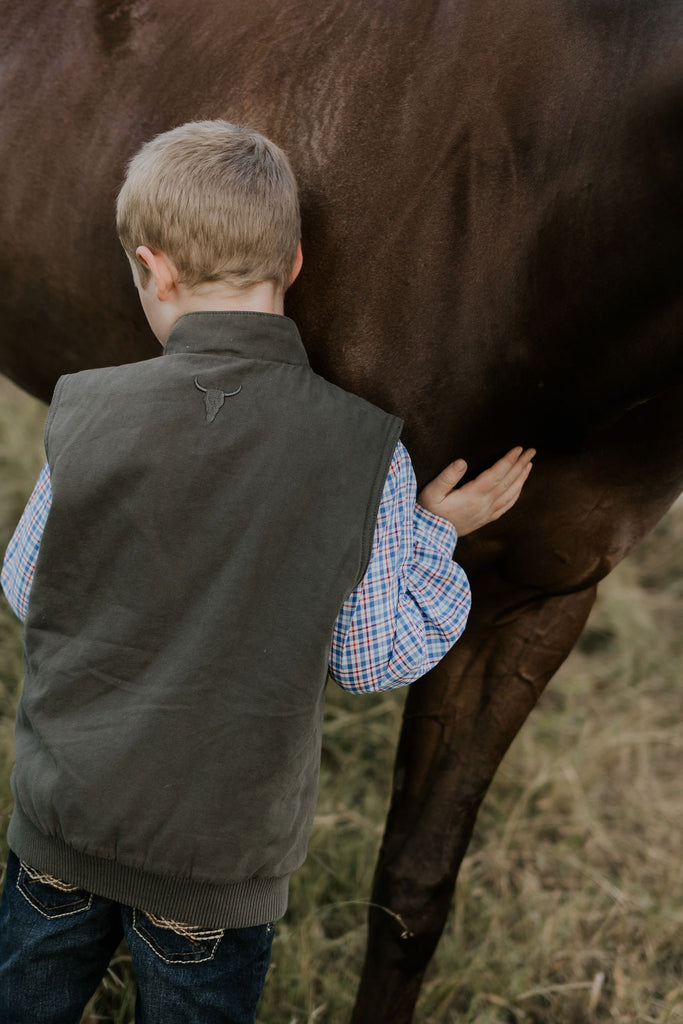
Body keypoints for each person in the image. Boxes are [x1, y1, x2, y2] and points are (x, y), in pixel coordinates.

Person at [0, 121, 533, 1024]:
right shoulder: (367, 454)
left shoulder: (87, 406)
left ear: (153, 267)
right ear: (291, 264)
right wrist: (430, 536)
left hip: (61, 830)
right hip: (214, 871)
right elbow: (369, 660)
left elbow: (24, 586)